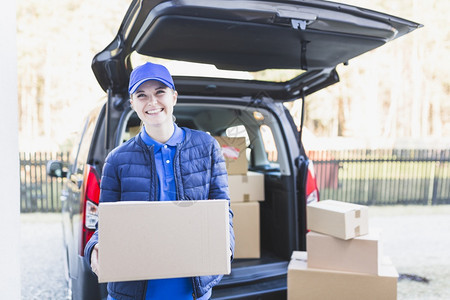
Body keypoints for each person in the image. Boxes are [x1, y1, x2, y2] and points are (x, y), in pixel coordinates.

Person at [84, 62, 235, 300]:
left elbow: (222, 209)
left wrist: (226, 246)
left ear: (174, 97)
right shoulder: (117, 160)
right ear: (132, 103)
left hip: (190, 288)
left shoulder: (206, 147)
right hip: (134, 290)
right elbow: (106, 225)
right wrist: (94, 248)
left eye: (160, 92)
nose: (152, 102)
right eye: (141, 95)